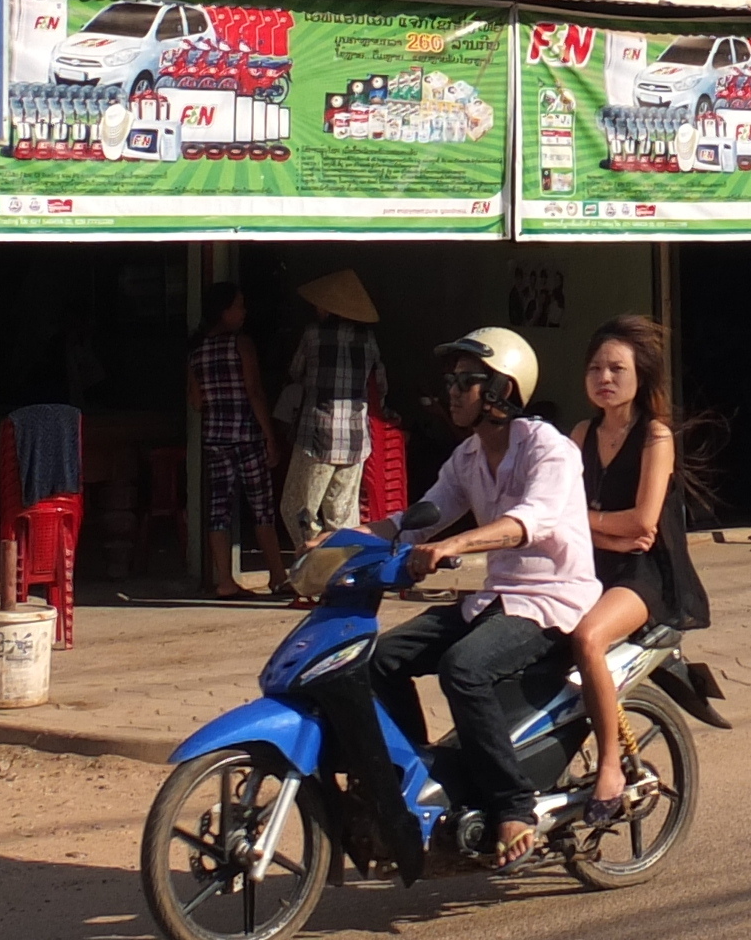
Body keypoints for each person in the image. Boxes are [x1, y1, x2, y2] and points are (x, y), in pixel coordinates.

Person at [369, 326, 596, 871]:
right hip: (498, 597)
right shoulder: (469, 455)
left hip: (553, 599)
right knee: (378, 658)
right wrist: (349, 539)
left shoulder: (549, 448)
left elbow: (531, 521)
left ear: (501, 390)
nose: (453, 392)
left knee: (463, 668)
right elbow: (423, 514)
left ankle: (512, 804)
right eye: (451, 381)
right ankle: (424, 777)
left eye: (466, 381)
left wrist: (457, 544)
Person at [567, 317, 710, 811]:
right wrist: (602, 525)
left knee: (587, 637)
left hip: (643, 575)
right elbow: (564, 515)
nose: (605, 378)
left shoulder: (655, 436)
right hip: (588, 566)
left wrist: (584, 520)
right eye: (596, 368)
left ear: (640, 376)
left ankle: (609, 765)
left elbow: (644, 524)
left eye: (616, 368)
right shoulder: (581, 433)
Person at [273, 270, 387, 553]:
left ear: (330, 307)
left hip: (317, 435)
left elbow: (295, 371)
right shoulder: (368, 339)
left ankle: (312, 564)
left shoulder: (313, 335)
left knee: (298, 509)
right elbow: (380, 386)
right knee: (342, 515)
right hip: (356, 439)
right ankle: (342, 571)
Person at [187, 283, 280, 600]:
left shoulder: (197, 350)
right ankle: (278, 576)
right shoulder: (241, 344)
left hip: (215, 438)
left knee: (219, 511)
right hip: (246, 436)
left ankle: (224, 581)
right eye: (238, 306)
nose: (243, 312)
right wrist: (270, 436)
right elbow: (254, 391)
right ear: (224, 311)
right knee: (262, 508)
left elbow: (197, 402)